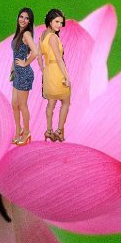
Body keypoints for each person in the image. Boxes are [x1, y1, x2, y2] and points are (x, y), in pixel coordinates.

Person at [39, 8, 71, 141]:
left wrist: (44, 71)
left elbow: (39, 57)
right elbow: (59, 58)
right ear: (50, 21)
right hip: (57, 69)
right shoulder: (53, 37)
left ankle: (48, 131)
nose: (60, 25)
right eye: (57, 22)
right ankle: (59, 131)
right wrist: (66, 76)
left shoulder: (43, 36)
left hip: (48, 70)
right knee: (65, 101)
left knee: (51, 103)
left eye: (61, 23)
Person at [10, 8, 39, 145]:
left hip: (24, 73)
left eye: (26, 18)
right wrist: (12, 69)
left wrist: (25, 63)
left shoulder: (27, 34)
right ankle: (18, 131)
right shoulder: (19, 33)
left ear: (29, 21)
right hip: (17, 72)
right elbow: (15, 55)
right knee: (14, 104)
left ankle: (26, 133)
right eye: (21, 16)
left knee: (22, 105)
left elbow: (36, 52)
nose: (23, 20)